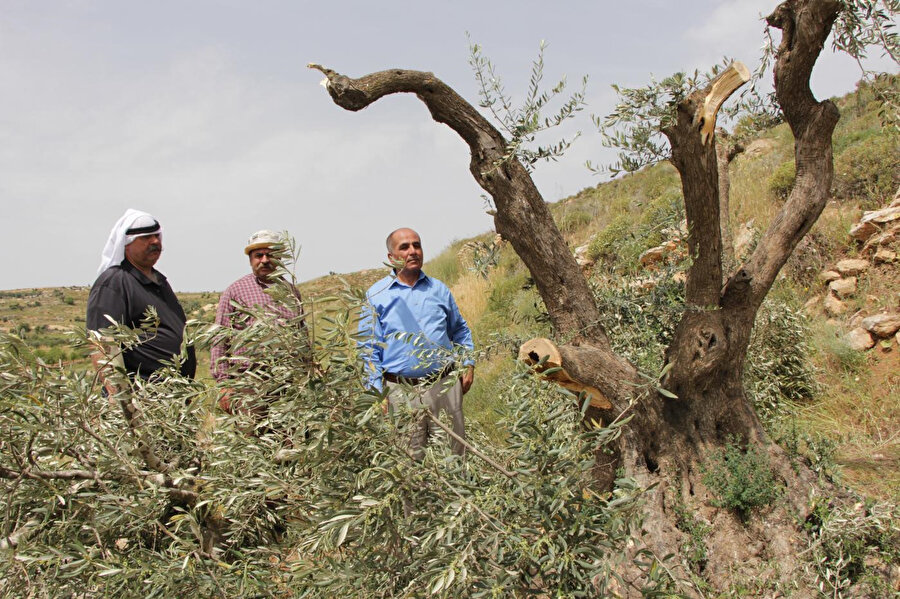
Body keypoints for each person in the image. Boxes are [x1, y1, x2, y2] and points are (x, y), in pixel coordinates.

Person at [358, 227, 474, 458]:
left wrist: (468, 362)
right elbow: (368, 349)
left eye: (416, 245)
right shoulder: (377, 295)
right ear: (391, 257)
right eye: (404, 247)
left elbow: (459, 330)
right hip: (400, 392)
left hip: (444, 385)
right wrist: (376, 392)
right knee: (409, 462)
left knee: (453, 456)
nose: (413, 251)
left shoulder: (438, 290)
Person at [87, 209, 196, 394]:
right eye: (146, 237)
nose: (155, 241)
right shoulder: (114, 282)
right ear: (127, 244)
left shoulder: (159, 281)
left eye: (156, 235)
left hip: (171, 399)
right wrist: (119, 399)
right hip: (142, 399)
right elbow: (102, 343)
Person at [211, 230, 306, 413]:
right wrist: (224, 384)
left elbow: (301, 333)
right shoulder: (235, 291)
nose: (264, 260)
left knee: (286, 439)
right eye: (258, 255)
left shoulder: (292, 292)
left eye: (270, 255)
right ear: (250, 259)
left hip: (287, 383)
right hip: (248, 383)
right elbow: (219, 339)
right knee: (252, 436)